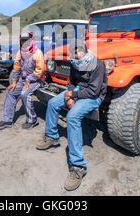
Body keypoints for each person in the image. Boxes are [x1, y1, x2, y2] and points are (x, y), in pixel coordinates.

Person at [36, 39, 107, 191]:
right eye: (73, 52)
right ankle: (52, 136)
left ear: (85, 50)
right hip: (78, 92)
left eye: (79, 51)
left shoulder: (97, 65)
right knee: (54, 103)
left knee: (72, 117)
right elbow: (71, 82)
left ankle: (78, 166)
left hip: (93, 97)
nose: (76, 54)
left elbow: (94, 91)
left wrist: (72, 95)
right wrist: (70, 96)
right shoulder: (75, 63)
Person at [0, 30, 45, 130]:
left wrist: (29, 80)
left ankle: (32, 120)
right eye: (22, 40)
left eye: (27, 40)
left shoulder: (37, 52)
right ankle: (7, 120)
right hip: (23, 78)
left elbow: (40, 70)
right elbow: (16, 68)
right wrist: (14, 82)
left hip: (37, 79)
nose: (24, 42)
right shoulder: (20, 52)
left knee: (24, 94)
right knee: (10, 91)